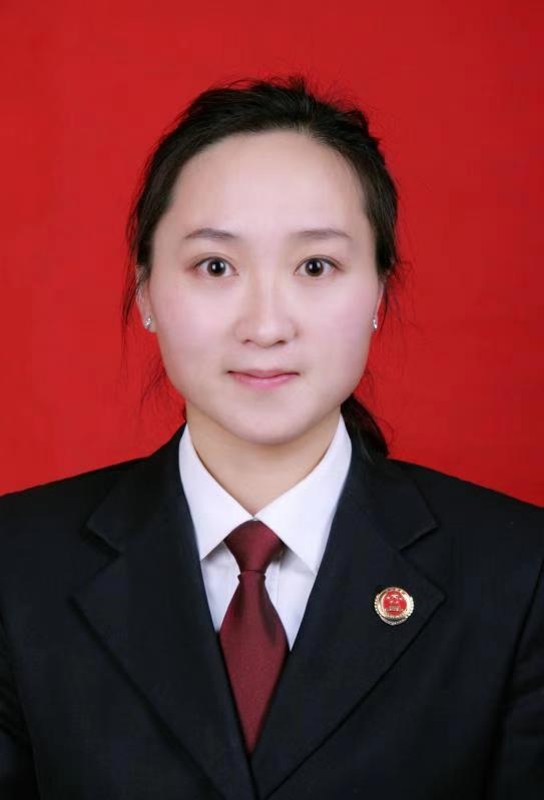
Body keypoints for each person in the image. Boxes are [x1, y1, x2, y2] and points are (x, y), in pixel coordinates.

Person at [0, 74, 542, 800]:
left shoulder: (519, 575)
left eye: (316, 266)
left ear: (379, 291)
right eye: (215, 266)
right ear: (146, 289)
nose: (265, 325)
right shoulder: (15, 567)